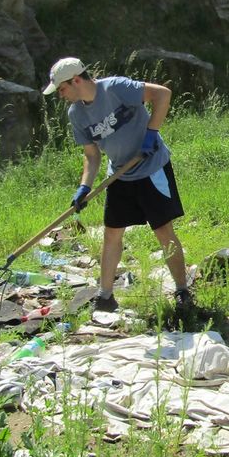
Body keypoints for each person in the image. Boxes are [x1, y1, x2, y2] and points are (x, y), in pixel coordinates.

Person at [43, 57, 191, 311]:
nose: (61, 95)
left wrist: (151, 134)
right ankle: (105, 297)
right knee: (112, 233)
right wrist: (84, 187)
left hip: (151, 166)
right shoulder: (76, 113)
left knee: (162, 230)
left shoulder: (115, 88)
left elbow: (163, 95)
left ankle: (182, 292)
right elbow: (92, 155)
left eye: (62, 89)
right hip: (120, 174)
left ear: (76, 80)